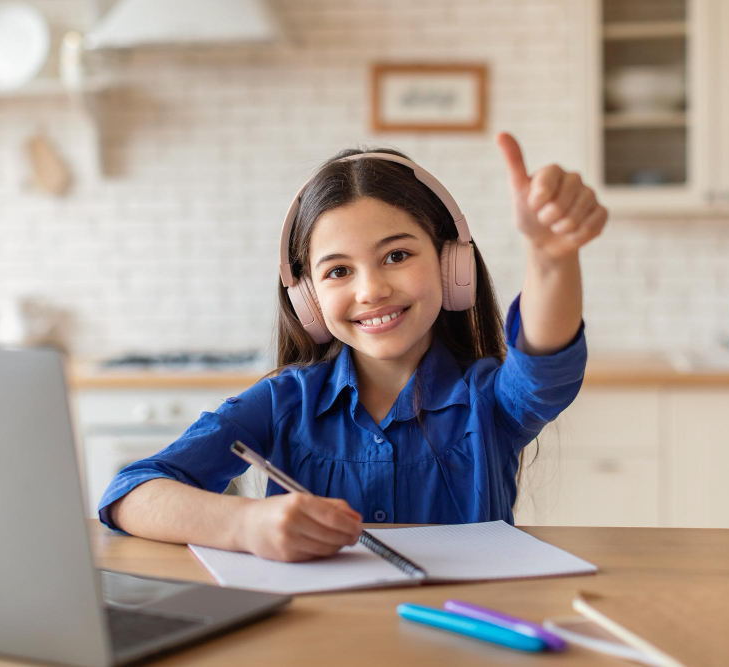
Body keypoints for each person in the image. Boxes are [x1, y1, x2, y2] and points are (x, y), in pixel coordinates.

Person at [98, 132, 607, 563]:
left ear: (454, 265)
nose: (371, 290)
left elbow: (545, 365)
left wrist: (551, 258)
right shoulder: (282, 403)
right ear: (308, 299)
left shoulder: (490, 401)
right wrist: (244, 524)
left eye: (397, 255)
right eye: (339, 271)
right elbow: (129, 495)